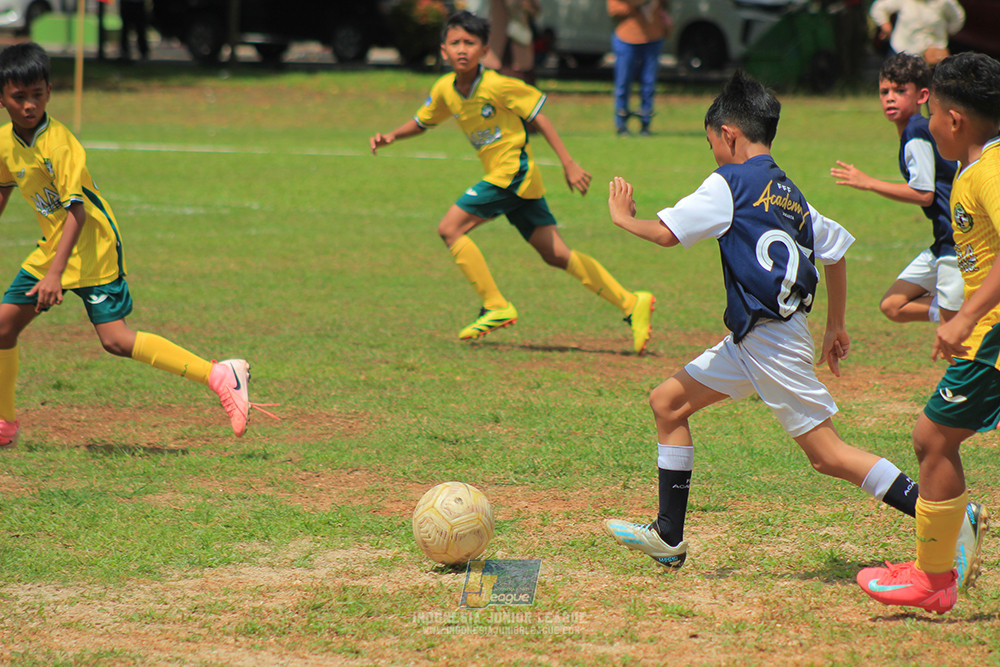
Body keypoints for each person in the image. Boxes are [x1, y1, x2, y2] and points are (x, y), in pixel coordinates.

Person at [602, 71, 982, 586]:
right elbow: (838, 249)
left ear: (729, 134)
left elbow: (668, 234)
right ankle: (669, 537)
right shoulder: (789, 193)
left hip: (770, 341)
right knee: (667, 402)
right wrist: (835, 325)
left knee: (828, 456)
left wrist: (624, 219)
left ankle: (950, 516)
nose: (713, 150)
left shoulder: (729, 182)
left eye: (711, 140)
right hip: (756, 338)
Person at [0, 43, 276, 449]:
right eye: (18, 97)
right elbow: (3, 190)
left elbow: (76, 212)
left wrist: (56, 275)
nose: (28, 106)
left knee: (115, 340)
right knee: (4, 328)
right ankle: (5, 425)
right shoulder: (5, 143)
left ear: (49, 92)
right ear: (2, 97)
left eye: (37, 95)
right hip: (53, 247)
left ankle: (221, 375)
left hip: (91, 245)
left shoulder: (59, 143)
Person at [369, 11, 656, 354]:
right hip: (518, 183)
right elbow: (422, 121)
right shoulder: (445, 89)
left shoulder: (497, 84)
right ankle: (631, 302)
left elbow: (540, 117)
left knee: (450, 228)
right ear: (443, 50)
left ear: (484, 49)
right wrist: (391, 136)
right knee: (557, 254)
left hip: (511, 174)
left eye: (470, 43)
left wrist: (568, 163)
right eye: (455, 43)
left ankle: (495, 305)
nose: (462, 49)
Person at [857, 52, 999, 615]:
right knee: (933, 437)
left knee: (933, 437)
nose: (926, 121)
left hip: (992, 334)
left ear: (954, 119)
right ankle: (936, 571)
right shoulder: (973, 167)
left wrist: (963, 318)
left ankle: (933, 578)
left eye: (932, 111)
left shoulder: (988, 171)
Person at [831, 53, 960, 325]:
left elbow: (924, 194)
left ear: (922, 96)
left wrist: (869, 182)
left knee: (959, 342)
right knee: (893, 304)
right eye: (884, 91)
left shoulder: (916, 131)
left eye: (900, 91)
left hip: (958, 241)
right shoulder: (916, 130)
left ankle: (964, 319)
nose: (890, 97)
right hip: (944, 240)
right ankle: (958, 316)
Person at [607, 0, 670, 136]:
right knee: (623, 83)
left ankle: (645, 122)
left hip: (653, 38)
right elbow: (613, 10)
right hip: (626, 39)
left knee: (649, 84)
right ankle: (621, 123)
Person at [869, 0, 965, 65]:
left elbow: (958, 18)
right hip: (902, 49)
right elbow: (879, 8)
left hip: (932, 52)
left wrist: (948, 32)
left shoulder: (944, 2)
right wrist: (885, 24)